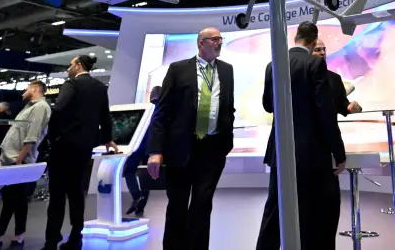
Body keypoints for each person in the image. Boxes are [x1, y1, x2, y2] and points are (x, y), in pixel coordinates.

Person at [255, 22, 346, 250]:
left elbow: (268, 105)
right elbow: (325, 112)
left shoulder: (272, 64)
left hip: (280, 149)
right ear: (314, 41)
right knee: (317, 210)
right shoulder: (315, 64)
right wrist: (338, 152)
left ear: (296, 38)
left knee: (275, 207)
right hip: (311, 152)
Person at [146, 27, 235, 250]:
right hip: (181, 148)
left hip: (213, 149)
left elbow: (228, 108)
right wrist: (155, 151)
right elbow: (162, 112)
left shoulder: (226, 70)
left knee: (203, 206)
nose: (219, 43)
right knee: (177, 205)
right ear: (201, 43)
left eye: (220, 39)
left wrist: (227, 138)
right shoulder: (178, 70)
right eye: (214, 40)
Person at [43, 55, 116, 250]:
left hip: (63, 146)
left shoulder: (71, 84)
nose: (68, 68)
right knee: (77, 192)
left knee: (57, 194)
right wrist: (108, 139)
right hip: (85, 147)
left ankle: (51, 240)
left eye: (70, 65)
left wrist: (53, 136)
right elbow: (105, 116)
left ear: (78, 65)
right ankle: (76, 237)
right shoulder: (100, 87)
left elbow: (58, 110)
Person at [0, 81, 52, 250]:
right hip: (12, 159)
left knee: (18, 200)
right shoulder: (29, 107)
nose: (24, 90)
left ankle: (17, 237)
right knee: (10, 199)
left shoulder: (41, 107)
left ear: (35, 89)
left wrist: (20, 158)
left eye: (28, 87)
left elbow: (32, 134)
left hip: (19, 161)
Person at [123, 85, 162, 217]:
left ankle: (136, 196)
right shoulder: (164, 109)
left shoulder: (146, 109)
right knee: (146, 176)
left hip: (138, 146)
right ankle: (140, 207)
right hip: (153, 149)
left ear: (151, 95)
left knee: (129, 171)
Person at [314, 39, 362, 116]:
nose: (323, 53)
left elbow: (342, 105)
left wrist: (352, 107)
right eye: (317, 50)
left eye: (324, 49)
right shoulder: (300, 77)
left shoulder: (335, 78)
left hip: (330, 127)